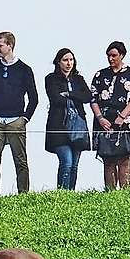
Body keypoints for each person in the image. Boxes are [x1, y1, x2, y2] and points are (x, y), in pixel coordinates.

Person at [0, 31, 38, 197]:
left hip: (16, 120)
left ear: (9, 46)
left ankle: (23, 194)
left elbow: (34, 97)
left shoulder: (24, 69)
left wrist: (25, 118)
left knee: (20, 160)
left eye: (0, 45)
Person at [90, 41, 130, 190]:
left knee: (125, 157)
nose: (111, 58)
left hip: (126, 120)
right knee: (108, 158)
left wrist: (122, 116)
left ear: (122, 55)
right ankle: (111, 193)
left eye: (114, 55)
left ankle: (125, 192)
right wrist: (100, 118)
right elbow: (93, 98)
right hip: (104, 121)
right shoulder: (100, 74)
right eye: (108, 56)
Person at [44, 48, 92, 190]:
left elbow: (87, 97)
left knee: (75, 165)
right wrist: (76, 95)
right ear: (58, 62)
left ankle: (71, 193)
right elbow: (55, 98)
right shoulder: (51, 78)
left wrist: (69, 94)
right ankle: (62, 193)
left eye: (71, 60)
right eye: (65, 60)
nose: (68, 63)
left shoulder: (79, 79)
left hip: (78, 126)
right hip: (59, 126)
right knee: (67, 162)